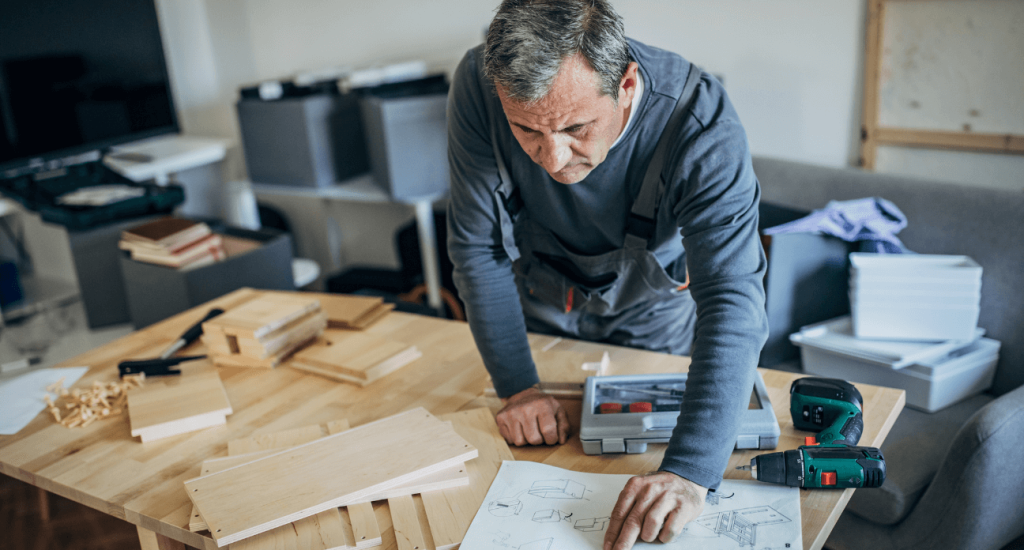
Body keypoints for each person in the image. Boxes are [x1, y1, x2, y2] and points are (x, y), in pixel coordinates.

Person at [445, 1, 768, 548]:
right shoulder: (479, 87)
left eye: (575, 127)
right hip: (541, 312)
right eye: (526, 130)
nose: (552, 159)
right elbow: (478, 248)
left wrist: (689, 470)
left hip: (656, 318)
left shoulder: (699, 120)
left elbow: (732, 296)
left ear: (625, 84)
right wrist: (519, 388)